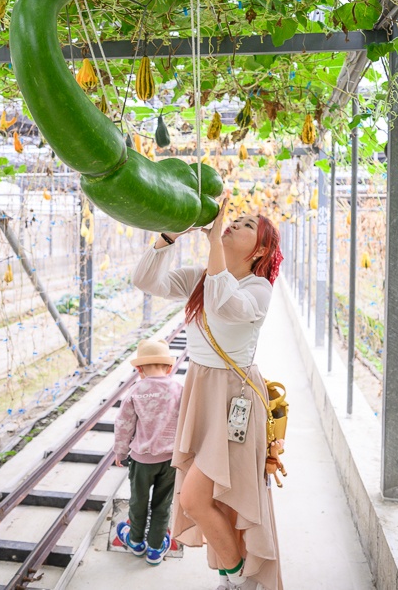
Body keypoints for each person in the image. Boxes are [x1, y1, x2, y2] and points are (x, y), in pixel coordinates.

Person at [132, 198, 284, 590]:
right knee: (210, 499)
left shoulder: (258, 289)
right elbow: (146, 281)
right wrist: (168, 237)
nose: (233, 224)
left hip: (235, 400)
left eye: (246, 224)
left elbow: (223, 302)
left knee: (196, 497)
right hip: (202, 391)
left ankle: (240, 578)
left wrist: (214, 242)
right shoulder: (201, 277)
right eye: (233, 220)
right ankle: (236, 575)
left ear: (261, 250)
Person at [114, 339, 183, 565]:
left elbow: (124, 424)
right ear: (169, 368)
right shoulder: (178, 390)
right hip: (171, 460)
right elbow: (188, 423)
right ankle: (155, 549)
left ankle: (135, 541)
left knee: (139, 501)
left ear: (139, 370)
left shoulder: (136, 390)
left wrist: (120, 452)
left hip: (142, 461)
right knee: (163, 504)